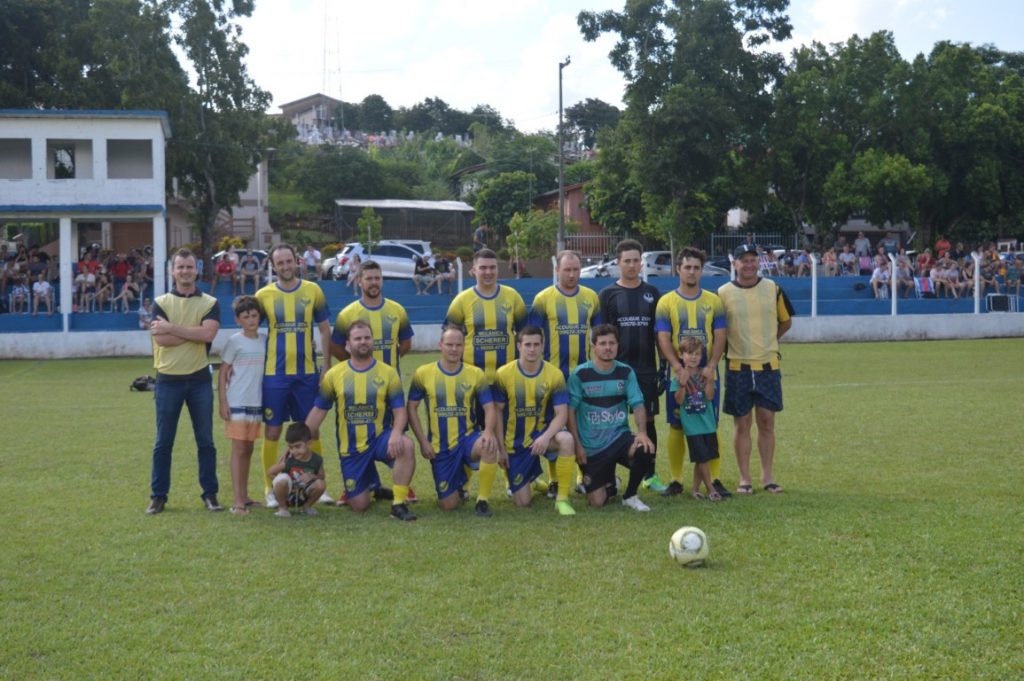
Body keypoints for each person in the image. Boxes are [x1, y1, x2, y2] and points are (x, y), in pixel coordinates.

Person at [305, 319, 418, 521]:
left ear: (373, 341)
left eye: (367, 337)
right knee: (359, 505)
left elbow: (400, 412)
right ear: (348, 344)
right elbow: (319, 411)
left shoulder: (388, 372)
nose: (363, 342)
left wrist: (396, 434)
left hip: (380, 439)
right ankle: (373, 486)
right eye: (357, 339)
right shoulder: (335, 375)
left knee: (406, 445)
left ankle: (398, 504)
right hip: (351, 448)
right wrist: (298, 440)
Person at [331, 259, 418, 504]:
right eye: (368, 278)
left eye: (377, 278)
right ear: (359, 281)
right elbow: (336, 347)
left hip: (389, 390)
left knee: (395, 438)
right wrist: (356, 368)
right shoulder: (348, 314)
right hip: (357, 391)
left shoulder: (396, 310)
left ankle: (403, 486)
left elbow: (406, 343)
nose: (373, 283)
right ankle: (357, 485)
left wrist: (386, 367)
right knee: (356, 436)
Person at [255, 244, 333, 508]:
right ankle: (270, 488)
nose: (285, 266)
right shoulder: (263, 295)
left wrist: (326, 366)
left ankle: (318, 485)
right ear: (273, 266)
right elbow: (252, 327)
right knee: (272, 431)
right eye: (280, 263)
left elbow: (324, 330)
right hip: (274, 375)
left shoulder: (313, 291)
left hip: (307, 374)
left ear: (297, 262)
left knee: (311, 430)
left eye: (289, 261)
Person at [145, 248, 221, 514]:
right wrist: (193, 333)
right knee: (163, 442)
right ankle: (158, 496)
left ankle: (210, 494)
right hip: (168, 381)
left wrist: (172, 328)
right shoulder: (161, 302)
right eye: (180, 267)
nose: (185, 271)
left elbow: (208, 335)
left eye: (189, 267)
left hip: (199, 379)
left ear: (196, 270)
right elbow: (161, 339)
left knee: (206, 441)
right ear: (172, 271)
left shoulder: (210, 302)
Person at [717, 244, 794, 495]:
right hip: (737, 367)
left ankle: (767, 477)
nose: (749, 265)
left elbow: (785, 321)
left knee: (767, 422)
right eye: (743, 260)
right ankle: (744, 479)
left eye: (753, 260)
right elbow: (718, 330)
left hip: (768, 367)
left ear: (758, 263)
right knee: (742, 424)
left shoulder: (773, 288)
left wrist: (769, 341)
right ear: (735, 264)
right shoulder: (723, 293)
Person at [655, 247, 728, 498]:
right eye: (687, 267)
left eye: (696, 267)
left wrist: (712, 365)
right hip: (679, 376)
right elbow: (663, 338)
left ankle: (714, 479)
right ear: (678, 269)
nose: (692, 272)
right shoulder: (666, 302)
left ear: (702, 270)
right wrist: (677, 368)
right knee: (676, 426)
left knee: (710, 425)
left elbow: (720, 336)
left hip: (707, 375)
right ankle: (676, 480)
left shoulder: (713, 301)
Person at [528, 250, 602, 496]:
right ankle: (554, 480)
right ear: (557, 270)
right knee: (554, 428)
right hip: (553, 378)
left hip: (583, 377)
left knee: (582, 427)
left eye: (576, 269)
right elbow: (533, 336)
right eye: (567, 269)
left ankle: (583, 476)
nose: (572, 274)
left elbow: (599, 335)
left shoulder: (591, 297)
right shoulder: (543, 299)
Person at [407, 323, 500, 516]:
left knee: (489, 446)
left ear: (464, 346)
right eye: (449, 344)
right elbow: (412, 407)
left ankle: (482, 501)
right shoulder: (423, 373)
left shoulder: (475, 374)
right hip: (440, 447)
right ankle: (460, 480)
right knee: (449, 505)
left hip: (468, 439)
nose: (454, 349)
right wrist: (423, 442)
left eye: (458, 345)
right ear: (440, 344)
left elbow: (489, 407)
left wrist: (489, 432)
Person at [598, 239, 664, 492]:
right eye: (627, 261)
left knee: (648, 421)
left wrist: (662, 368)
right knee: (612, 422)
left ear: (641, 263)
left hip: (646, 369)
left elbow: (659, 334)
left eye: (636, 260)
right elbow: (602, 335)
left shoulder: (652, 293)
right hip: (616, 370)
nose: (632, 265)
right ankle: (608, 474)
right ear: (618, 263)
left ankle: (650, 474)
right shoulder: (607, 294)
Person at [489, 325, 577, 515]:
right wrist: (501, 449)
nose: (532, 349)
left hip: (542, 435)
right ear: (518, 346)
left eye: (536, 344)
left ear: (543, 346)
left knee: (567, 439)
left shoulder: (554, 374)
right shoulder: (503, 374)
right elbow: (497, 413)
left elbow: (562, 414)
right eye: (527, 344)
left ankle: (562, 499)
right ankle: (532, 479)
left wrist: (545, 437)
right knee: (523, 502)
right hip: (516, 443)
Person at [567, 324, 655, 511]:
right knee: (597, 502)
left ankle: (630, 495)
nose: (608, 347)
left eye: (612, 343)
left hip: (619, 438)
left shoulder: (626, 372)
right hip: (592, 447)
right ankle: (610, 482)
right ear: (593, 347)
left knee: (645, 449)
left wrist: (642, 433)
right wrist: (577, 445)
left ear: (617, 345)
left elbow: (638, 404)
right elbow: (570, 412)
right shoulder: (580, 374)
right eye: (603, 343)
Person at [218, 295, 267, 515]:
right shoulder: (234, 341)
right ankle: (237, 500)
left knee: (248, 448)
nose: (251, 320)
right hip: (237, 400)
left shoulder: (265, 340)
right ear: (238, 319)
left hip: (256, 402)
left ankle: (245, 496)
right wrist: (223, 401)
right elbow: (223, 372)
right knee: (238, 449)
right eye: (246, 317)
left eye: (254, 315)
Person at [445, 248, 526, 381]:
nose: (488, 272)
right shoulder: (462, 300)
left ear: (497, 269)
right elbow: (448, 338)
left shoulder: (513, 296)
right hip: (472, 379)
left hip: (508, 378)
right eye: (483, 268)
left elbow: (525, 334)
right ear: (474, 270)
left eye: (492, 267)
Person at [670, 336, 722, 501]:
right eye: (689, 353)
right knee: (703, 457)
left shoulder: (705, 374)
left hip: (708, 423)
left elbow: (709, 396)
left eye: (697, 354)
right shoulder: (678, 377)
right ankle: (711, 489)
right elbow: (679, 400)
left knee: (703, 458)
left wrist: (710, 380)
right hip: (692, 426)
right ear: (681, 355)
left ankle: (695, 489)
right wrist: (682, 384)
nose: (693, 357)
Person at [267, 422, 325, 517]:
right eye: (290, 447)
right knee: (282, 479)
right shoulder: (289, 459)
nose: (294, 451)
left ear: (309, 443)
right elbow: (270, 472)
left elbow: (322, 476)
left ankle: (307, 507)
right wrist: (282, 483)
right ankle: (283, 508)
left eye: (297, 446)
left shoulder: (316, 459)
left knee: (321, 484)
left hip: (303, 494)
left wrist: (312, 476)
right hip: (287, 494)